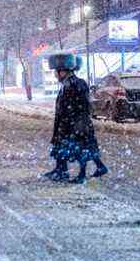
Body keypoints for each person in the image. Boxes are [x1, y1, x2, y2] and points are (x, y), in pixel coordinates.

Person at [44, 53, 108, 184]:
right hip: (73, 123)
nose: (55, 75)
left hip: (77, 124)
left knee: (79, 149)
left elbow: (78, 106)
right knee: (80, 148)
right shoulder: (68, 84)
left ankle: (80, 174)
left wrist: (72, 122)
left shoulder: (74, 84)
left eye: (57, 72)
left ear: (63, 72)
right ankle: (63, 170)